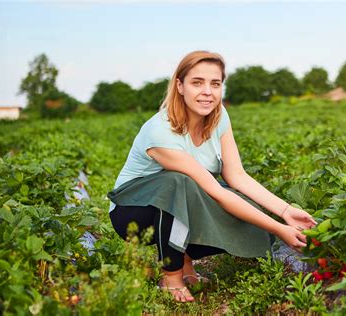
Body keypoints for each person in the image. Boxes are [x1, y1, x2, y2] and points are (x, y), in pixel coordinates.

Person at [108, 50, 317, 303]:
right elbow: (213, 192)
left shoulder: (218, 118)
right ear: (180, 86)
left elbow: (236, 176)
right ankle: (171, 276)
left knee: (248, 212)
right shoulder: (160, 131)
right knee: (180, 183)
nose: (207, 91)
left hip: (177, 201)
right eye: (197, 82)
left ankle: (184, 260)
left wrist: (284, 212)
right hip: (132, 210)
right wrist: (280, 229)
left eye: (215, 84)